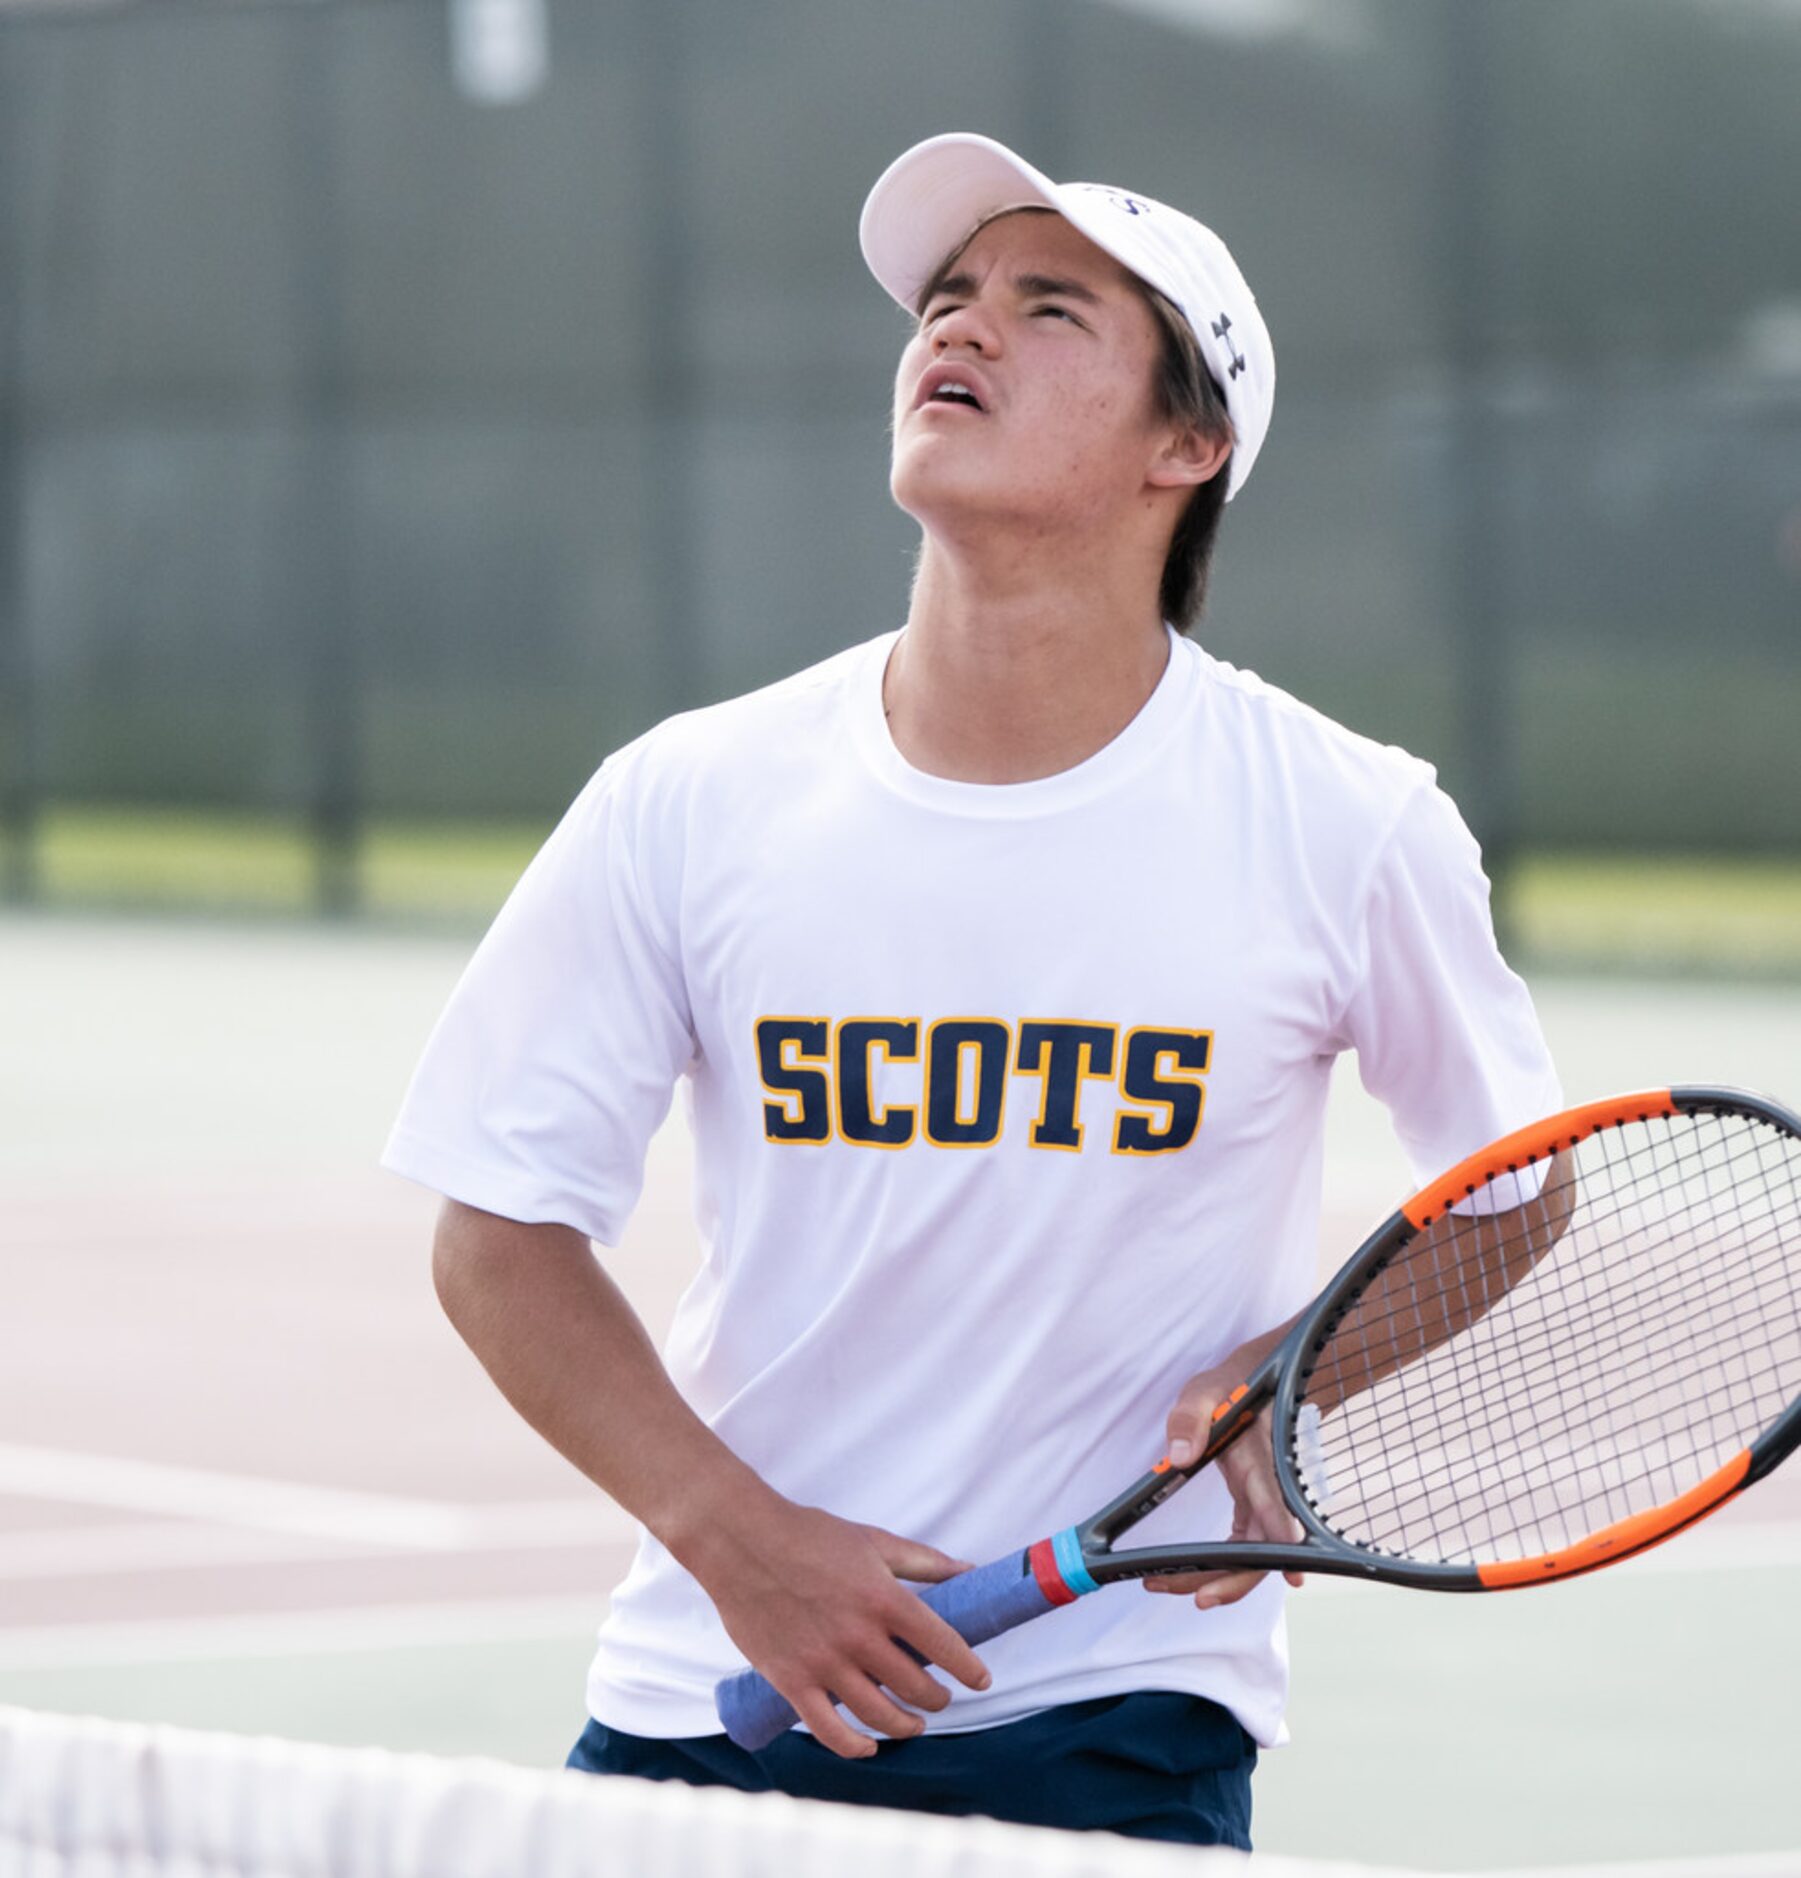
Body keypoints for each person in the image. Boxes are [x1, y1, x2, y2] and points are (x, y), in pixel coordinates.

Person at [382, 132, 1561, 1849]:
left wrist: (1294, 1356)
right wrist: (738, 1537)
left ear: (1189, 441)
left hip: (1110, 1707)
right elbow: (494, 1231)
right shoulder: (687, 795)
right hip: (701, 1694)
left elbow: (1514, 1186)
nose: (963, 327)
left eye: (1047, 305)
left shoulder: (1346, 821)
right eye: (947, 297)